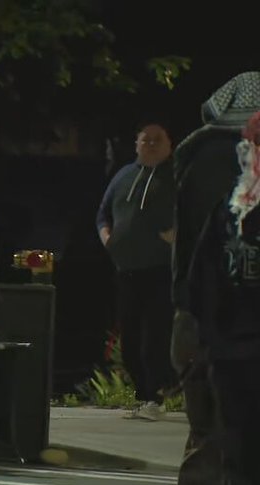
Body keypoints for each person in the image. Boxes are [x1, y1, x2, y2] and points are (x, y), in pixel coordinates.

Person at [171, 71, 260, 485]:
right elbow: (215, 265)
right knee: (216, 450)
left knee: (222, 451)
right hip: (216, 328)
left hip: (205, 323)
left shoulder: (196, 154)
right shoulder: (223, 164)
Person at [96, 120, 177, 421]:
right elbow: (102, 213)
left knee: (154, 338)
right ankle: (145, 396)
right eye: (146, 140)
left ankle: (156, 397)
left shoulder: (175, 176)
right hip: (126, 270)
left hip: (160, 270)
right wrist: (108, 238)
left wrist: (177, 234)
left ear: (170, 145)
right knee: (128, 340)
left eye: (158, 140)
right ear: (136, 144)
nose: (151, 145)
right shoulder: (123, 176)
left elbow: (195, 209)